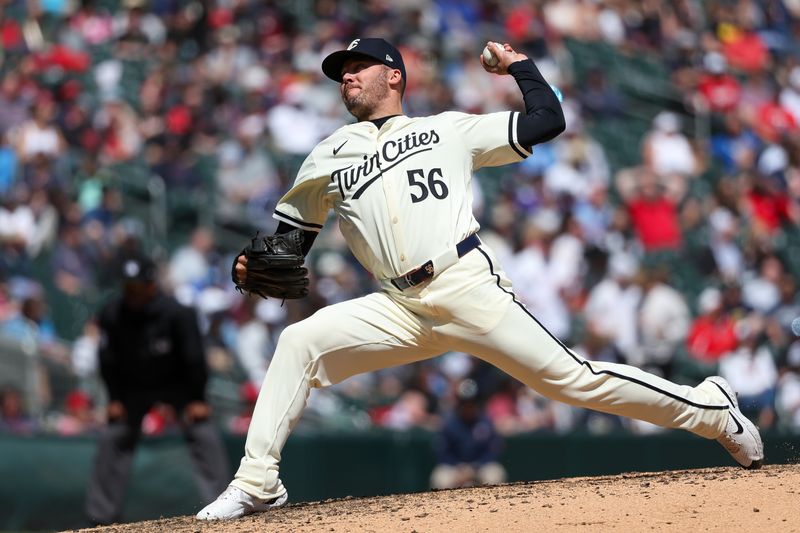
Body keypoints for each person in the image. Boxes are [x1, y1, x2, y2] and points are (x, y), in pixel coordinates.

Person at [197, 38, 763, 521]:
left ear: (394, 75)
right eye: (339, 73)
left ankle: (710, 410)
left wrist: (519, 65)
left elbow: (548, 119)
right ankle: (257, 482)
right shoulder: (327, 154)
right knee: (300, 341)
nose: (345, 76)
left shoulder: (448, 130)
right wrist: (250, 265)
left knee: (573, 381)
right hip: (397, 305)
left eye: (357, 67)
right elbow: (289, 242)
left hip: (464, 282)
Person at [85, 252, 228, 525]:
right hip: (133, 388)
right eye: (128, 287)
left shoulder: (178, 313)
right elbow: (107, 360)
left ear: (152, 286)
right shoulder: (113, 314)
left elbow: (195, 359)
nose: (132, 293)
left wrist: (197, 398)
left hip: (178, 386)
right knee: (113, 436)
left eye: (137, 287)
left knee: (203, 432)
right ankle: (100, 519)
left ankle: (221, 509)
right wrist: (114, 398)